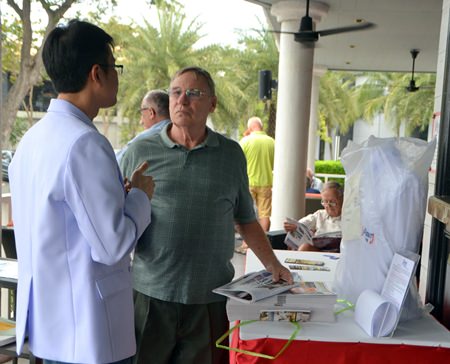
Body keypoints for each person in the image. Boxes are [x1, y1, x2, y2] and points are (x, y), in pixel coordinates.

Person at [120, 66, 292, 364]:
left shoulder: (230, 154)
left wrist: (273, 264)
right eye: (176, 92)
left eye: (193, 93)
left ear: (212, 104)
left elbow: (246, 219)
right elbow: (115, 214)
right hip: (151, 297)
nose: (182, 100)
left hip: (210, 300)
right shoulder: (140, 151)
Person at [8, 19, 155, 364]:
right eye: (114, 67)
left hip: (50, 324)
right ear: (96, 74)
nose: (117, 76)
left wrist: (118, 197)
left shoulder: (31, 141)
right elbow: (111, 246)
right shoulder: (85, 143)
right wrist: (141, 196)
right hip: (88, 332)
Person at [235, 116, 275, 254]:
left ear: (250, 127)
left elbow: (237, 160)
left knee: (247, 213)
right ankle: (261, 246)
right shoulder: (271, 142)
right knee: (265, 214)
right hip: (266, 182)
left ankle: (246, 245)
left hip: (248, 182)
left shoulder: (245, 141)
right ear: (261, 127)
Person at [284, 181, 343, 252]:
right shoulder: (319, 215)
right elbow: (300, 224)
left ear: (342, 199)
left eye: (332, 202)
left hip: (341, 254)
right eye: (325, 201)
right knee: (304, 247)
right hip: (319, 254)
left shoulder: (350, 217)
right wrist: (292, 226)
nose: (328, 206)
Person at [116, 90, 171, 162]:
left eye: (142, 113)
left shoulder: (144, 139)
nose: (141, 122)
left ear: (151, 113)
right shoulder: (184, 134)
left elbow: (116, 164)